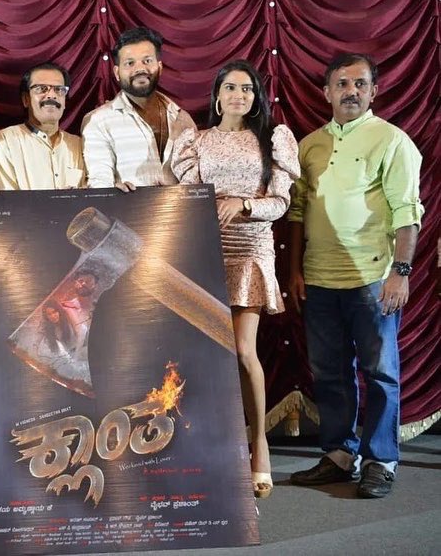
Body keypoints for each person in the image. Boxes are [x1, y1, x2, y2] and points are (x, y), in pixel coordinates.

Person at [287, 53, 423, 499]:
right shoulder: (309, 145)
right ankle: (340, 456)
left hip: (374, 280)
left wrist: (400, 273)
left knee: (380, 373)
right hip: (319, 279)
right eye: (342, 84)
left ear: (374, 91)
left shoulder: (392, 140)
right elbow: (297, 213)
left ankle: (381, 460)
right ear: (326, 92)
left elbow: (407, 213)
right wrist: (295, 271)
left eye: (360, 84)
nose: (351, 91)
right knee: (329, 373)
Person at [172, 60, 299, 499]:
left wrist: (244, 205)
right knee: (207, 355)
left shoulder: (273, 138)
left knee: (244, 351)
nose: (239, 95)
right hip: (206, 248)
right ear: (217, 95)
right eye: (231, 87)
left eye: (247, 88)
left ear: (256, 97)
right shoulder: (196, 140)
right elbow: (188, 196)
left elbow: (280, 202)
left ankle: (259, 446)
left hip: (250, 248)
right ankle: (213, 449)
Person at [82, 26, 196, 190]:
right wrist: (112, 192)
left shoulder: (181, 117)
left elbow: (195, 178)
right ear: (117, 73)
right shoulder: (98, 121)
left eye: (147, 61)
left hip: (180, 206)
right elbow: (99, 183)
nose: (140, 69)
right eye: (130, 63)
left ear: (160, 67)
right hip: (126, 207)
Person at [0, 62, 85, 189]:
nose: (51, 95)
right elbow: (9, 199)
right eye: (41, 89)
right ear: (26, 99)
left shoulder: (79, 145)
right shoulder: (5, 141)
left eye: (59, 90)